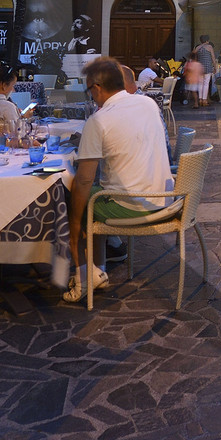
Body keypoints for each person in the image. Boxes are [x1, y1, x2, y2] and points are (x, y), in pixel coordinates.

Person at [65, 57, 174, 303]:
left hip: (132, 206)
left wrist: (73, 230)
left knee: (76, 194)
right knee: (95, 193)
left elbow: (84, 180)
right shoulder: (147, 104)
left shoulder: (99, 120)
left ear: (96, 88)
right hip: (165, 199)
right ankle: (99, 268)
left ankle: (84, 276)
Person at [190, 35, 217, 105]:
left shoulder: (198, 47)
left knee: (200, 83)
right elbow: (213, 57)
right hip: (208, 66)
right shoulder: (209, 47)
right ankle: (204, 100)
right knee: (206, 83)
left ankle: (200, 99)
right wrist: (215, 67)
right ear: (207, 40)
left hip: (199, 67)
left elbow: (192, 56)